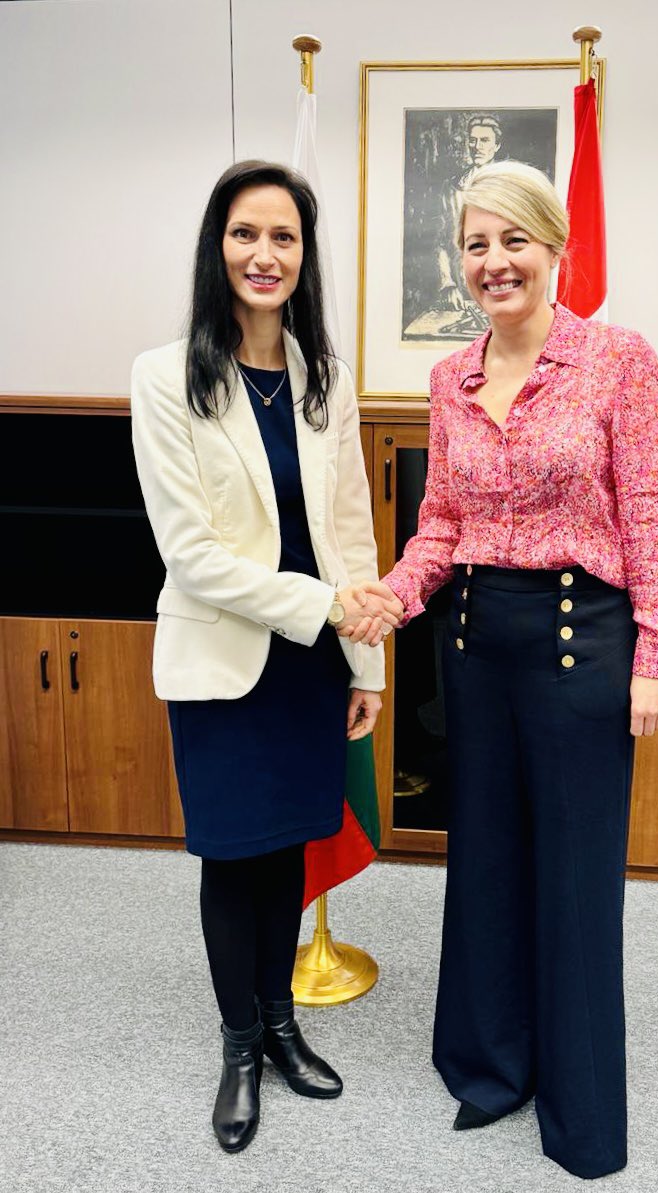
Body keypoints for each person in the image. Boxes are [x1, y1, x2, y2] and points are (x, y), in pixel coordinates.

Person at [366, 160, 658, 1179]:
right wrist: (393, 595)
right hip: (475, 642)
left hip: (576, 640)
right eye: (476, 243)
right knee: (489, 864)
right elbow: (444, 523)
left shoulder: (618, 360)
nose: (495, 261)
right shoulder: (449, 376)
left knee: (577, 876)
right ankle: (489, 1063)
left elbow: (653, 511)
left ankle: (581, 1107)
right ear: (459, 260)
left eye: (515, 240)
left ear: (556, 247)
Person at [130, 160, 400, 1154]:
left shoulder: (324, 373)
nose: (264, 254)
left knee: (287, 846)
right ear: (219, 246)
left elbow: (353, 531)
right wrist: (324, 604)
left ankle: (283, 1021)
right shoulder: (166, 377)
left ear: (304, 255)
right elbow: (191, 556)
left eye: (284, 237)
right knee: (232, 849)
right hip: (224, 658)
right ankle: (240, 1043)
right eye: (246, 233)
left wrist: (365, 662)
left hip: (314, 662)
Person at [437, 115, 503, 313]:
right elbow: (442, 240)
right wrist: (448, 284)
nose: (477, 146)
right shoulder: (452, 188)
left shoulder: (511, 186)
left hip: (503, 289)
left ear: (497, 145)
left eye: (484, 141)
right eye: (473, 140)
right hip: (463, 293)